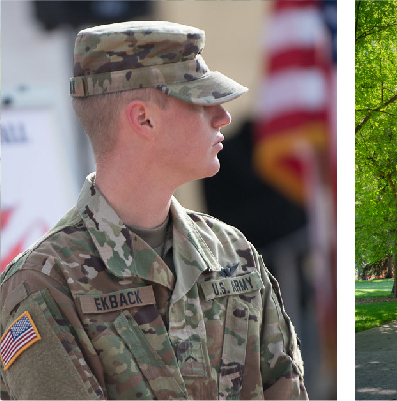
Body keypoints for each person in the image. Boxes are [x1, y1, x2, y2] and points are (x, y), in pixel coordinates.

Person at [0, 22, 308, 399]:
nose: (223, 117)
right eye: (201, 100)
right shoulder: (44, 285)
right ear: (144, 119)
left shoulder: (234, 253)